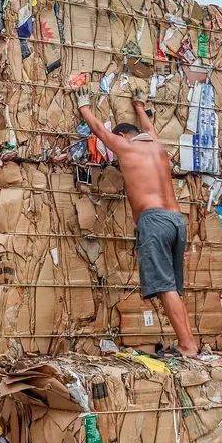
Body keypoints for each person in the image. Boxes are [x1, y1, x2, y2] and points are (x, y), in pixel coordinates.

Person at [71, 81, 199, 357]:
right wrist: (140, 106)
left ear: (125, 137)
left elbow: (100, 131)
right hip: (177, 220)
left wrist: (83, 106)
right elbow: (147, 125)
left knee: (165, 288)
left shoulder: (125, 147)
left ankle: (188, 346)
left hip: (154, 221)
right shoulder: (155, 142)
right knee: (173, 288)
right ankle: (190, 342)